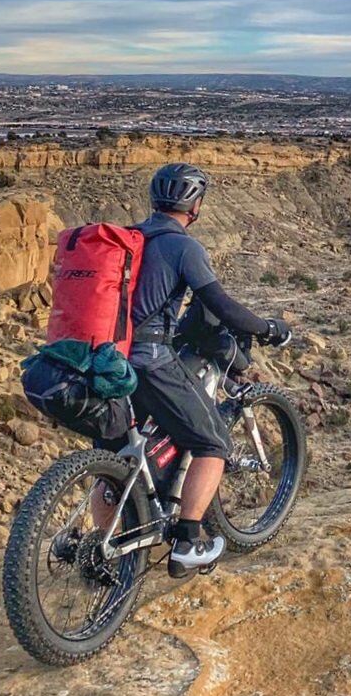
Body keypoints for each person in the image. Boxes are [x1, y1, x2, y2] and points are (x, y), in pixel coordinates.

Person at [122, 163, 290, 576]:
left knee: (118, 459)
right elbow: (221, 306)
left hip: (108, 358)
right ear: (194, 205)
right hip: (150, 358)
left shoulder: (130, 237)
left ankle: (111, 554)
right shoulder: (183, 247)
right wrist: (268, 328)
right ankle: (187, 540)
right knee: (214, 442)